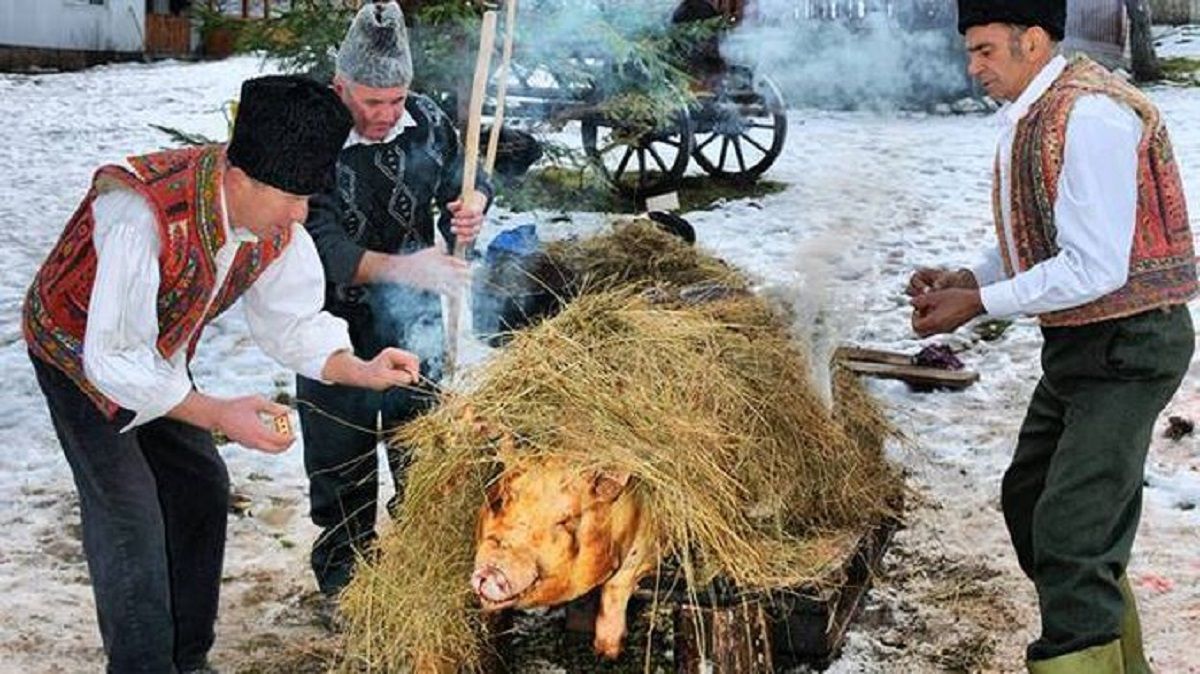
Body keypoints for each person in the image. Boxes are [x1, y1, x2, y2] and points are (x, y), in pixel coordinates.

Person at [22, 74, 422, 674]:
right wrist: (215, 413)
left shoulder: (274, 224)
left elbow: (291, 321)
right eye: (290, 198)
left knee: (200, 486)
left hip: (154, 356)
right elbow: (112, 360)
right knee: (131, 516)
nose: (300, 214)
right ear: (239, 178)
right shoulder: (141, 211)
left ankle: (188, 659)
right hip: (78, 352)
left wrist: (360, 370)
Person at [908, 2, 1197, 672]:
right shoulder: (1036, 114)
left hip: (1130, 346)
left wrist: (978, 303)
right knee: (1032, 498)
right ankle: (1112, 651)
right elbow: (1040, 235)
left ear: (1031, 41)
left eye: (984, 50)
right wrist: (968, 275)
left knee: (1070, 535)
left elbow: (1095, 267)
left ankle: (1078, 645)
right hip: (1083, 344)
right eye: (970, 52)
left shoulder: (1088, 116)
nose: (972, 66)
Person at [299, 1, 491, 599]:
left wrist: (473, 203)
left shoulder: (428, 119)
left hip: (418, 323)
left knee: (423, 451)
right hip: (330, 322)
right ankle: (348, 590)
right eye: (370, 101)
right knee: (341, 463)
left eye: (396, 100)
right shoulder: (312, 134)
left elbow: (467, 175)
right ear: (340, 86)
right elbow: (318, 239)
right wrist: (408, 269)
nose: (385, 115)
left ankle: (424, 575)